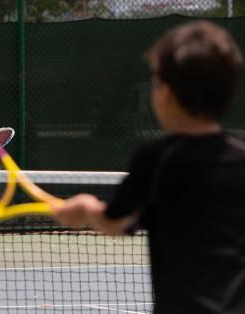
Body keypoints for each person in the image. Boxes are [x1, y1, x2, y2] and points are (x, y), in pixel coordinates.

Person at [53, 21, 245, 313]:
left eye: (155, 81)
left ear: (166, 93)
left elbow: (114, 222)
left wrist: (85, 208)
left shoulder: (155, 160)